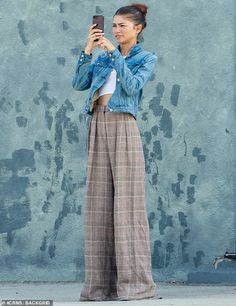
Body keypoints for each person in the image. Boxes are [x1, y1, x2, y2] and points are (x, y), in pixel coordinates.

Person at [72, 3, 160, 301]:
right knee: (98, 205)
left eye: (123, 25)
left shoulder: (145, 58)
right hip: (98, 123)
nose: (116, 29)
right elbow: (79, 83)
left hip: (124, 125)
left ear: (138, 29)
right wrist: (88, 48)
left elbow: (133, 86)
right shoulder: (101, 58)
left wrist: (112, 54)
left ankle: (135, 285)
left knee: (128, 206)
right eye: (114, 25)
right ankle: (100, 287)